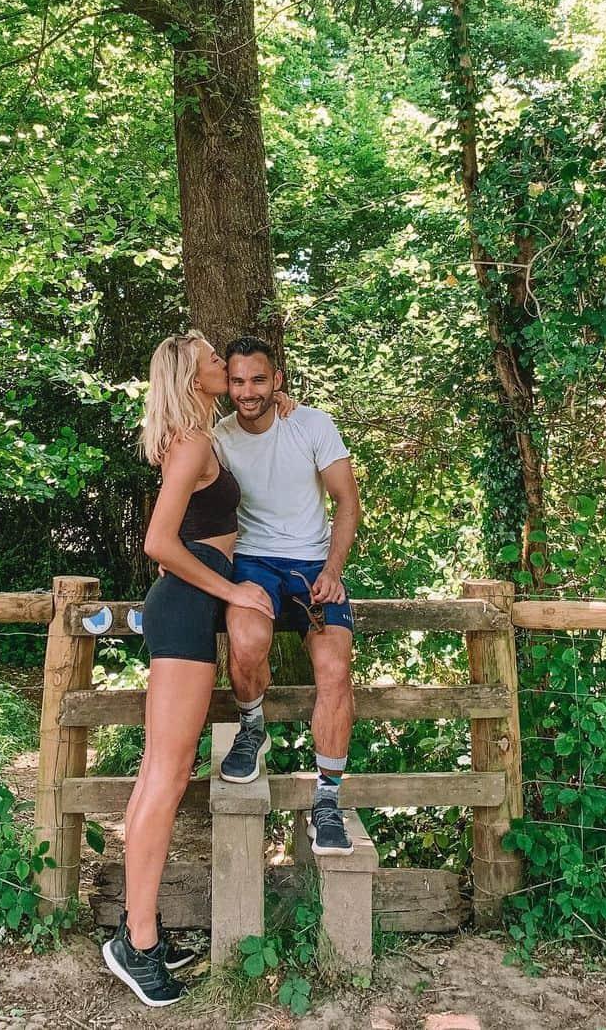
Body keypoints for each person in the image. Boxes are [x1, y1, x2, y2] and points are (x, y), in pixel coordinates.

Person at [102, 331, 275, 1008]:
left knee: (159, 775)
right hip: (183, 611)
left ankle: (139, 930)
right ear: (190, 372)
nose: (222, 367)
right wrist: (232, 591)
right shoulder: (194, 443)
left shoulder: (193, 433)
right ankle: (138, 943)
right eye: (211, 361)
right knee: (167, 777)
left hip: (189, 610)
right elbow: (157, 542)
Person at [214, 336, 361, 857]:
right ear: (226, 385)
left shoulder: (312, 424)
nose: (247, 391)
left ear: (277, 381)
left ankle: (328, 798)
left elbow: (347, 501)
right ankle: (252, 728)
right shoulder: (219, 438)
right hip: (252, 561)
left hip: (313, 564)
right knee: (246, 643)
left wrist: (333, 569)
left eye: (258, 379)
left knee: (335, 671)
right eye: (237, 381)